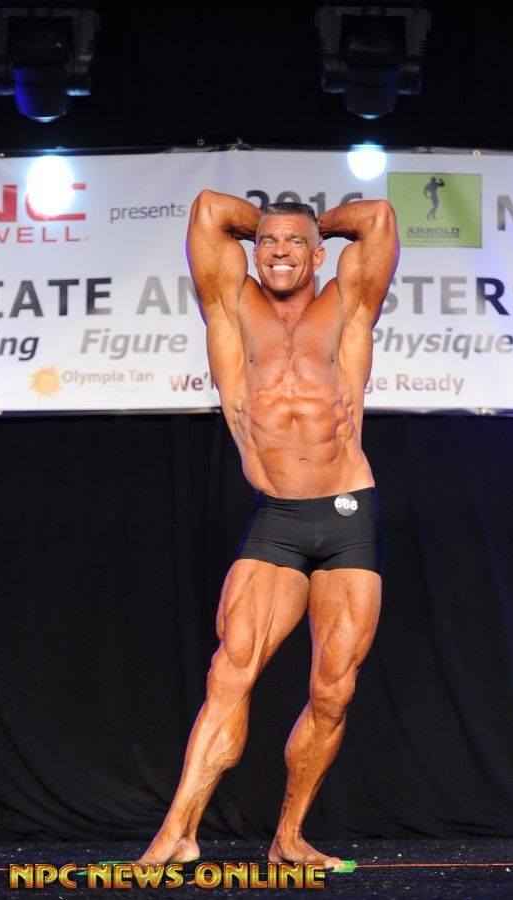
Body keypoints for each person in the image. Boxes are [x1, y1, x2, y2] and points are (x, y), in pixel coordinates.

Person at [135, 189, 399, 870]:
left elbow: (377, 220)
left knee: (332, 690)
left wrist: (310, 225)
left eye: (295, 244)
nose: (279, 252)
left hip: (347, 513)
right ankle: (177, 834)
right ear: (253, 251)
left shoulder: (347, 304)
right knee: (230, 670)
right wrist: (276, 229)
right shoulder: (231, 304)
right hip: (277, 518)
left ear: (319, 254)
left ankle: (288, 837)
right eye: (268, 243)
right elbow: (205, 209)